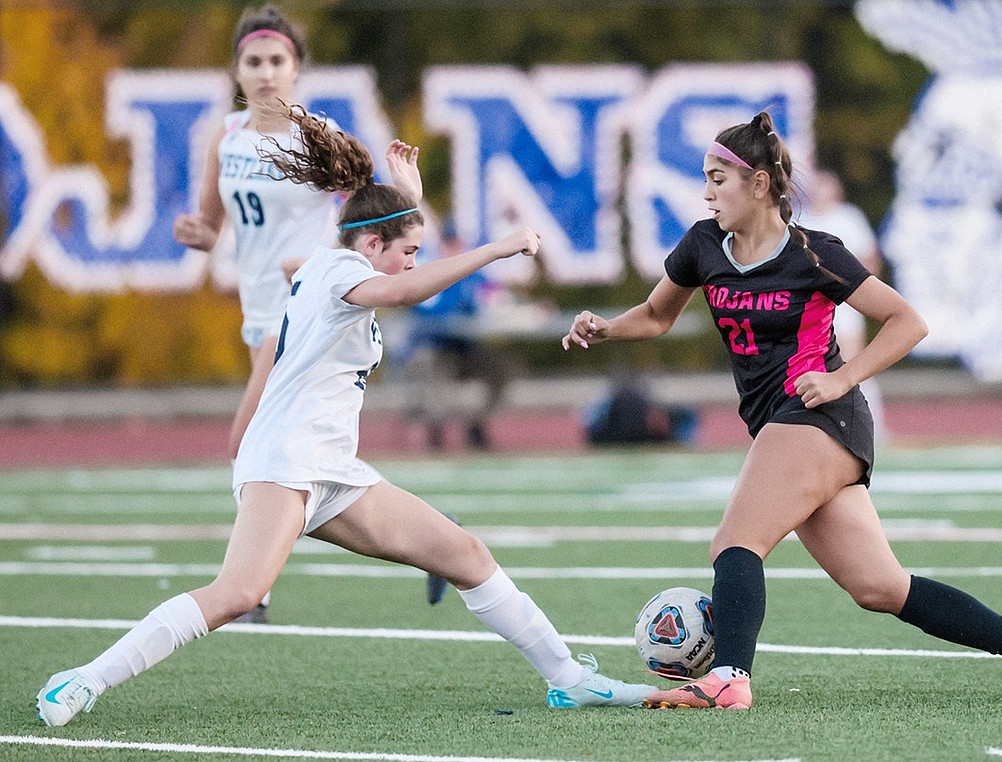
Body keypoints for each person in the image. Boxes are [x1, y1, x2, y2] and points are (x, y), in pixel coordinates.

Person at [35, 106, 656, 728]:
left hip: (331, 466)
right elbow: (404, 287)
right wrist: (495, 249)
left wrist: (402, 200)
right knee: (239, 593)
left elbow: (371, 240)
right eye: (407, 250)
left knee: (465, 553)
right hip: (285, 461)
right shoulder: (340, 270)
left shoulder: (335, 258)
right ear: (371, 244)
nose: (414, 262)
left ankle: (570, 679)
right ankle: (85, 680)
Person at [562, 111, 1002, 710]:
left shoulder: (815, 253)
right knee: (880, 587)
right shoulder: (704, 245)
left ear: (759, 185)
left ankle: (728, 677)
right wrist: (605, 329)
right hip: (783, 425)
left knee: (736, 540)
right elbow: (656, 315)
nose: (706, 193)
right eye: (704, 179)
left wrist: (841, 379)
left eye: (717, 180)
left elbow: (908, 322)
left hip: (818, 418)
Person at [172, 4, 424, 622]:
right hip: (257, 312)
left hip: (304, 309)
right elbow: (212, 223)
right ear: (236, 70)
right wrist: (199, 234)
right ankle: (432, 541)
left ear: (296, 69)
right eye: (253, 61)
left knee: (247, 442)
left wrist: (403, 196)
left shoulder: (318, 137)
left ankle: (250, 589)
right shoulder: (226, 138)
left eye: (276, 60)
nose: (264, 72)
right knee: (301, 458)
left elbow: (373, 214)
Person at [403, 218, 511, 450]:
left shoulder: (471, 274)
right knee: (433, 377)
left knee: (496, 373)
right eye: (448, 242)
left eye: (456, 242)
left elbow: (496, 296)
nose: (453, 247)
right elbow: (427, 312)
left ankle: (475, 424)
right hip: (436, 346)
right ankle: (435, 434)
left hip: (466, 346)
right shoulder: (428, 271)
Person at [797, 167, 888, 437]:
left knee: (854, 363)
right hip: (812, 305)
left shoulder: (848, 217)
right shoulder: (801, 219)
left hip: (845, 303)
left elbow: (869, 258)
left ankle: (874, 426)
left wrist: (864, 294)